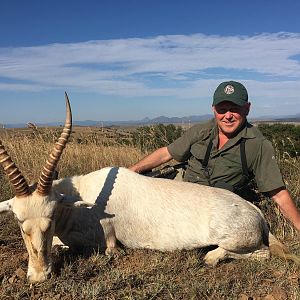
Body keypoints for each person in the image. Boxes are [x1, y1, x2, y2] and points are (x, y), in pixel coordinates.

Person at [129, 80, 300, 231]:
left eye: (234, 109)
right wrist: (129, 171)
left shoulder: (258, 144)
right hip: (181, 188)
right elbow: (166, 153)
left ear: (247, 109)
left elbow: (278, 194)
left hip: (214, 204)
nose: (227, 116)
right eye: (222, 110)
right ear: (213, 110)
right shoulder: (201, 130)